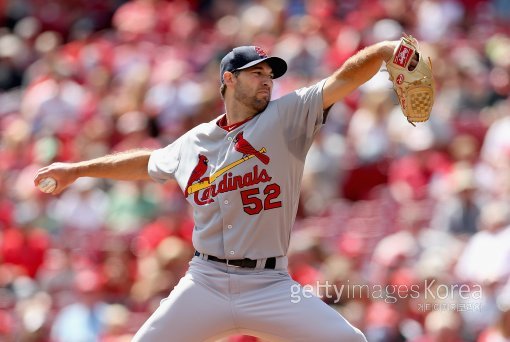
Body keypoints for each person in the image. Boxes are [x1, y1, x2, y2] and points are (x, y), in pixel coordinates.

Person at [35, 41, 404, 341]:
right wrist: (77, 170)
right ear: (228, 79)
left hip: (268, 284)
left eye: (270, 74)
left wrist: (385, 50)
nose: (266, 80)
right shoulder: (195, 141)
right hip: (205, 282)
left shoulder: (287, 116)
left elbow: (342, 79)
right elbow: (146, 163)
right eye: (256, 72)